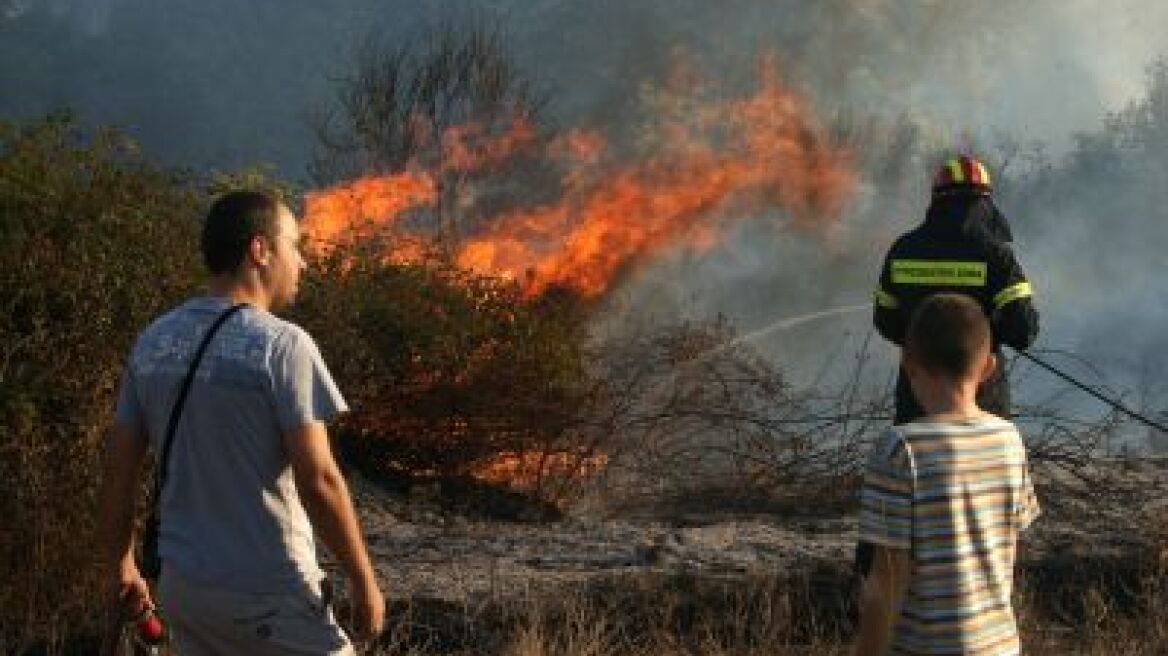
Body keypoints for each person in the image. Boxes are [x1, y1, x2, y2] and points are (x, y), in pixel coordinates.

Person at [98, 190, 385, 654]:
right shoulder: (283, 346)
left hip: (185, 590)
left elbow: (118, 471)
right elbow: (320, 479)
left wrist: (121, 568)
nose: (303, 263)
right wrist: (363, 580)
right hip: (270, 594)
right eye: (295, 246)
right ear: (260, 250)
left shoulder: (153, 341)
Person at [851, 294, 1040, 656]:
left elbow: (888, 579)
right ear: (989, 367)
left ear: (907, 362)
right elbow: (1008, 542)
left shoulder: (901, 448)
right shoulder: (1008, 439)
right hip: (1000, 646)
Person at [872, 155, 1039, 424]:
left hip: (918, 395)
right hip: (980, 397)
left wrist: (924, 341)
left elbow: (885, 322)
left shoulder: (904, 249)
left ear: (937, 200)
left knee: (918, 462)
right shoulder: (996, 256)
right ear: (985, 202)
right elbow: (1023, 331)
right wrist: (984, 334)